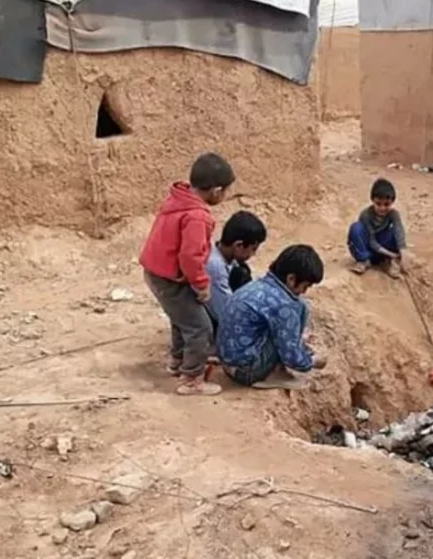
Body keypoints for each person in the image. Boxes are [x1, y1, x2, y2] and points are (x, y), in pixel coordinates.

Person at [139, 152, 235, 396]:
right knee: (200, 328)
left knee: (182, 318)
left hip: (158, 272)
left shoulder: (178, 199)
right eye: (225, 192)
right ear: (216, 191)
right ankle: (192, 378)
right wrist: (201, 285)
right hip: (170, 277)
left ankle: (178, 361)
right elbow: (191, 256)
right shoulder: (197, 216)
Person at [216, 244, 327, 389]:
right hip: (246, 372)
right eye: (305, 286)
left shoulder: (257, 285)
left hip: (227, 364)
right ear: (291, 279)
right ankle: (272, 374)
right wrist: (312, 361)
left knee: (299, 307)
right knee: (293, 317)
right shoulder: (284, 305)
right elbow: (292, 357)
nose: (304, 291)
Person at [204, 210, 267, 331]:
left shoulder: (225, 256)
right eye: (253, 249)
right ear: (239, 245)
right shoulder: (216, 268)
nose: (253, 254)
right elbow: (226, 313)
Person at [347, 178, 408, 278]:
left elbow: (399, 232)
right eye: (378, 204)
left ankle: (387, 262)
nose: (382, 208)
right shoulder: (366, 215)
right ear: (372, 200)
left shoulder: (393, 214)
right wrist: (392, 254)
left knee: (395, 232)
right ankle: (363, 261)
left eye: (386, 204)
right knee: (356, 228)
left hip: (382, 251)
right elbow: (372, 242)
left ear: (392, 202)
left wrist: (404, 254)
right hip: (368, 248)